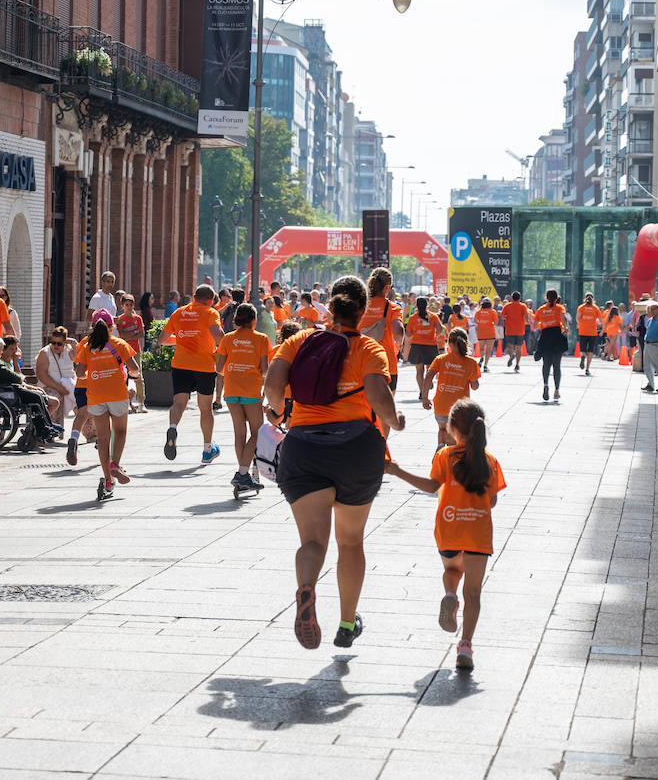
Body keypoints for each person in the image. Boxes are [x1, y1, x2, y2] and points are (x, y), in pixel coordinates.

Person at [264, 275, 405, 650]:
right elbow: (378, 394)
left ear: (330, 305)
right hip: (355, 450)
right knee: (351, 541)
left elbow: (273, 384)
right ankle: (346, 623)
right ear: (361, 311)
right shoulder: (368, 348)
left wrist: (278, 414)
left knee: (313, 542)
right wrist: (394, 421)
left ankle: (306, 587)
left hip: (304, 448)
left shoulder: (299, 340)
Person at [385, 398, 505, 671]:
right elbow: (493, 501)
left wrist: (397, 470)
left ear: (452, 428)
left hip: (449, 530)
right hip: (478, 532)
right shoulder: (491, 461)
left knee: (452, 570)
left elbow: (430, 486)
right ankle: (465, 646)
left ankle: (450, 595)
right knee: (473, 593)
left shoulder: (444, 456)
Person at [74, 310, 140, 497]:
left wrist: (92, 376)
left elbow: (79, 373)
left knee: (103, 438)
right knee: (120, 431)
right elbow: (134, 369)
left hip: (95, 396)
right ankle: (115, 464)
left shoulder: (87, 346)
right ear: (112, 327)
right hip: (117, 394)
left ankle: (108, 481)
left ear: (92, 327)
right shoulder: (119, 344)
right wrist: (130, 375)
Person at [162, 285, 224, 463]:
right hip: (204, 366)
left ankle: (173, 426)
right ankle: (207, 450)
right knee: (205, 408)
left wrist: (182, 338)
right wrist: (222, 342)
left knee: (179, 403)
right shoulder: (211, 313)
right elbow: (217, 335)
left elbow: (162, 339)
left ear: (195, 297)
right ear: (211, 300)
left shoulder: (179, 312)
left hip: (181, 364)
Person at [216, 303, 271, 495]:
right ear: (254, 320)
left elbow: (218, 368)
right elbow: (264, 370)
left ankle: (244, 475)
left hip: (231, 390)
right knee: (258, 433)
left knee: (239, 433)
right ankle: (242, 473)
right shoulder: (261, 339)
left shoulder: (228, 338)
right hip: (251, 390)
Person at [0, 333, 62, 444]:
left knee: (37, 397)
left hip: (2, 388)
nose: (1, 352)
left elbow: (4, 372)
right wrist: (18, 378)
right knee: (35, 397)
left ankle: (45, 426)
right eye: (0, 349)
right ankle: (43, 428)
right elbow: (4, 372)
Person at [422, 329, 481, 448]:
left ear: (449, 343)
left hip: (441, 404)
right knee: (455, 438)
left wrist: (425, 397)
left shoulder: (440, 359)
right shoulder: (471, 363)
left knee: (442, 429)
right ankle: (448, 455)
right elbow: (475, 386)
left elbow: (428, 377)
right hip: (460, 408)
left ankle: (440, 445)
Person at [359, 268, 404, 393]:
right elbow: (399, 331)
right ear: (387, 288)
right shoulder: (393, 308)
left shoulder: (359, 305)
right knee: (385, 408)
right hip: (386, 363)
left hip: (361, 362)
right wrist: (399, 345)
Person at [36, 326, 77, 437]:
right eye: (53, 342)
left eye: (59, 343)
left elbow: (79, 359)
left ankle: (90, 433)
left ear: (64, 343)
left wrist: (73, 342)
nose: (55, 346)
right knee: (55, 396)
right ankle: (48, 432)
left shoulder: (69, 350)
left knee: (84, 401)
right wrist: (59, 388)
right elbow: (41, 375)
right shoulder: (44, 353)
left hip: (70, 385)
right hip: (49, 386)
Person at [533, 289, 569, 403]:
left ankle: (545, 384)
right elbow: (564, 319)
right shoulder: (559, 308)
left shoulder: (541, 309)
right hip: (557, 335)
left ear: (546, 297)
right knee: (557, 365)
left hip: (546, 337)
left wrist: (544, 323)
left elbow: (534, 325)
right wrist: (566, 328)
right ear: (556, 297)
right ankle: (557, 390)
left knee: (546, 363)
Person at [403, 296, 444, 393]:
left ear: (416, 306)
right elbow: (440, 329)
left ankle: (422, 391)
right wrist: (434, 335)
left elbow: (408, 334)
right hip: (430, 346)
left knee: (419, 371)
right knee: (430, 371)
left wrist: (416, 333)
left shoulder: (413, 318)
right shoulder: (433, 316)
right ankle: (426, 389)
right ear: (427, 305)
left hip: (417, 346)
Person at [115, 295, 147, 412]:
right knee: (124, 376)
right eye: (126, 305)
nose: (129, 307)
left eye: (131, 305)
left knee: (138, 375)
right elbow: (122, 335)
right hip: (123, 351)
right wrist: (134, 333)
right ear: (122, 306)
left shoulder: (138, 318)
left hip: (136, 350)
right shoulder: (120, 319)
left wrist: (129, 335)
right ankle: (125, 402)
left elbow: (142, 334)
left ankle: (141, 402)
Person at [640, 302, 658, 393]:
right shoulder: (650, 320)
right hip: (647, 344)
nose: (651, 311)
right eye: (650, 309)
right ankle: (650, 384)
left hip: (656, 344)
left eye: (653, 309)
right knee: (647, 365)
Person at [575, 293, 603, 376]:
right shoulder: (596, 308)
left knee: (583, 349)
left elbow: (577, 318)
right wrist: (597, 323)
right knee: (590, 350)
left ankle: (583, 356)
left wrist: (580, 324)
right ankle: (587, 369)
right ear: (593, 298)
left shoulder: (581, 307)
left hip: (583, 331)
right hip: (592, 332)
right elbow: (600, 320)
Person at [500, 291, 528, 372]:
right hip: (520, 330)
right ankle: (517, 364)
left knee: (510, 346)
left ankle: (512, 355)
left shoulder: (507, 305)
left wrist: (507, 318)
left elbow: (502, 316)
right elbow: (526, 316)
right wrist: (526, 322)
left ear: (512, 298)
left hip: (509, 329)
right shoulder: (523, 306)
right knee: (519, 348)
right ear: (520, 298)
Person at [473, 298, 499, 372]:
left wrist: (480, 323)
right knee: (488, 350)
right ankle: (485, 365)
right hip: (490, 332)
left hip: (481, 332)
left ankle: (481, 358)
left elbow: (475, 320)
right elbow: (496, 322)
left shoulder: (479, 311)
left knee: (481, 348)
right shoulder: (493, 311)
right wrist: (490, 324)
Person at [0, 286, 23, 350]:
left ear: (6, 297)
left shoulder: (11, 312)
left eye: (2, 296)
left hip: (7, 345)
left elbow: (17, 332)